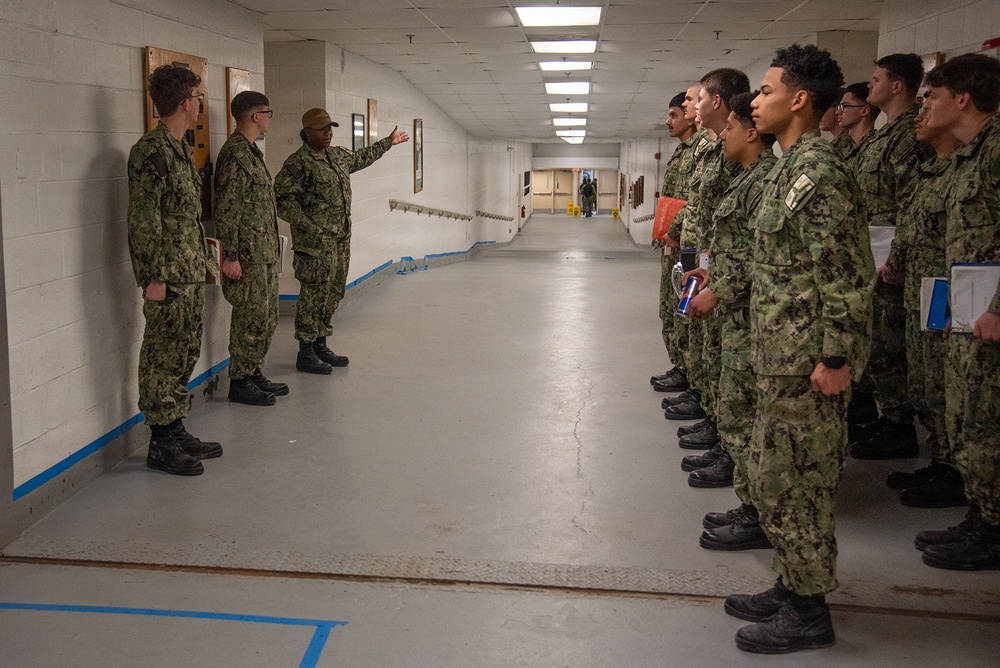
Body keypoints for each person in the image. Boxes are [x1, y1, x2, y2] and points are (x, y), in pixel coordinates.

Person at [724, 44, 874, 653]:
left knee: (799, 483)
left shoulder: (823, 170)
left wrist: (835, 357)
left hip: (808, 365)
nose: (755, 101)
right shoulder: (787, 167)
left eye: (765, 90)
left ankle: (811, 611)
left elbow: (845, 273)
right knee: (774, 477)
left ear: (800, 99)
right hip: (778, 359)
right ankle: (794, 581)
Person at [682, 91, 777, 550]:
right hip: (739, 310)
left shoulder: (767, 180)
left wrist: (720, 287)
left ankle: (758, 514)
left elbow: (765, 253)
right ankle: (751, 504)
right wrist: (712, 272)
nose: (725, 136)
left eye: (732, 129)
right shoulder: (746, 179)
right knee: (735, 403)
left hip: (753, 313)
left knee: (746, 412)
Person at [917, 53, 1000, 571]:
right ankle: (983, 515)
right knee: (968, 418)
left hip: (991, 319)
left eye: (933, 96)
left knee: (986, 422)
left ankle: (994, 530)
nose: (926, 105)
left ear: (962, 98)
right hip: (967, 311)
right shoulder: (969, 156)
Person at [127, 65, 222, 476]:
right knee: (161, 356)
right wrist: (153, 277)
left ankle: (174, 424)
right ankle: (161, 442)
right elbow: (143, 220)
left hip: (187, 269)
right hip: (166, 273)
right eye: (197, 97)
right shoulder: (151, 151)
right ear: (185, 103)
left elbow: (184, 218)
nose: (200, 103)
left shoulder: (180, 147)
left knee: (184, 350)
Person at [275, 109, 409, 374]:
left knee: (333, 291)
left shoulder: (336, 155)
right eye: (322, 129)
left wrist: (387, 142)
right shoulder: (298, 163)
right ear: (307, 132)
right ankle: (306, 351)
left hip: (339, 241)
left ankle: (321, 343)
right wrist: (307, 226)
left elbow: (361, 157)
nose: (328, 133)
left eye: (330, 128)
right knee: (313, 295)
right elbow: (281, 199)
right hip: (314, 245)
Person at [665, 69, 749, 488]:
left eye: (697, 100)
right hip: (706, 262)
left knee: (724, 361)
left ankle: (728, 446)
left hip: (728, 277)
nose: (691, 107)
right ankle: (717, 428)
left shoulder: (738, 158)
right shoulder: (715, 152)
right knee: (709, 352)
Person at [883, 92, 964, 508]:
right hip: (924, 292)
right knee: (928, 384)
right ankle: (941, 461)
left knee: (948, 387)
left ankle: (955, 474)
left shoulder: (968, 168)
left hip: (952, 294)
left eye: (931, 100)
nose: (921, 111)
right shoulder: (931, 170)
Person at [850, 53, 933, 460]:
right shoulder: (886, 134)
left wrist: (897, 258)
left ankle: (901, 427)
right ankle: (891, 419)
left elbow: (911, 203)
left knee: (891, 345)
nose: (870, 85)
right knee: (880, 343)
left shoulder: (911, 135)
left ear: (897, 85)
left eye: (876, 78)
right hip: (875, 252)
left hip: (893, 255)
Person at [215, 91, 287, 407]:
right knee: (250, 317)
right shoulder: (235, 154)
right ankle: (240, 380)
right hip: (246, 254)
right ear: (255, 116)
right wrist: (229, 256)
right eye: (267, 112)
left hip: (262, 252)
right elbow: (227, 208)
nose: (270, 118)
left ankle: (253, 370)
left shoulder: (250, 152)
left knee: (267, 316)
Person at [650, 92, 698, 395]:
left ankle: (691, 376)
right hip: (674, 244)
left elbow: (695, 202)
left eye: (673, 115)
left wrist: (678, 229)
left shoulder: (700, 152)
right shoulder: (681, 152)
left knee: (684, 311)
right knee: (669, 309)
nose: (668, 122)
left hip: (689, 247)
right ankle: (681, 366)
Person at [834, 82, 879, 160]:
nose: (837, 112)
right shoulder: (841, 148)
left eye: (845, 106)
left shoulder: (877, 149)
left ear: (864, 111)